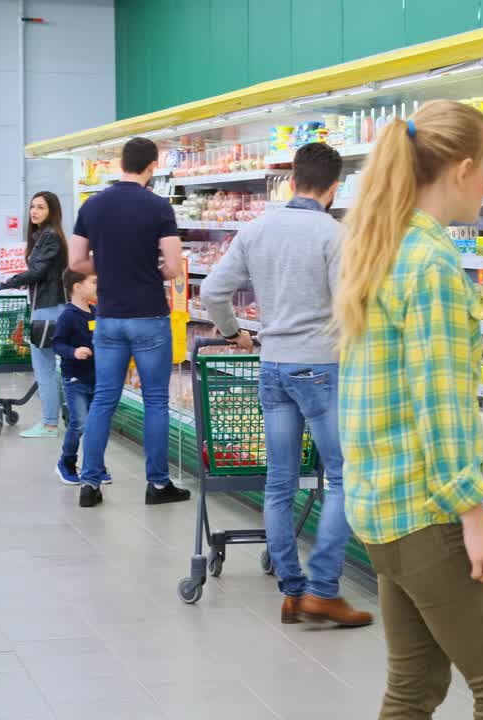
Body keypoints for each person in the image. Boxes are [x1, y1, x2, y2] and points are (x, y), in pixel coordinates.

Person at [334, 100, 483, 719]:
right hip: (428, 514)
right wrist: (472, 516)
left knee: (414, 687)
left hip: (380, 505)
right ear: (464, 168)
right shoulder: (434, 265)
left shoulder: (380, 245)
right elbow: (441, 405)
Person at [203, 143, 371, 628]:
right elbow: (350, 307)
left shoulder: (254, 231)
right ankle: (324, 590)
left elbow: (213, 292)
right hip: (321, 369)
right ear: (334, 187)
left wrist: (234, 332)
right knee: (339, 477)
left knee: (279, 483)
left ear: (293, 179)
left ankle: (292, 592)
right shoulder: (334, 235)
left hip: (271, 366)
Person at [68, 137, 189, 509]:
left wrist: (108, 268)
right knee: (155, 400)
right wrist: (147, 271)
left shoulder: (94, 205)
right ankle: (157, 484)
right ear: (152, 166)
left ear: (122, 164)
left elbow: (76, 261)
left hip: (108, 318)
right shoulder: (158, 207)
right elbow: (172, 266)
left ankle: (89, 484)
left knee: (104, 398)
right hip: (149, 316)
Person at [2, 191, 68, 438]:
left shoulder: (49, 236)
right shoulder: (45, 235)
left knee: (44, 368)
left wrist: (10, 281)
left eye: (40, 207)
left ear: (52, 211)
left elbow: (38, 271)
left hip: (48, 308)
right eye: (32, 206)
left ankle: (50, 424)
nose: (34, 211)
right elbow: (43, 272)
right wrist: (23, 281)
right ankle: (60, 417)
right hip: (50, 305)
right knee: (51, 367)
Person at [51, 270, 112, 487]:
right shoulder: (68, 316)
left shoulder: (96, 312)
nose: (98, 285)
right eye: (94, 282)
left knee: (96, 424)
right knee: (79, 423)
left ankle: (95, 465)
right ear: (77, 287)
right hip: (75, 378)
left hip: (98, 378)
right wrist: (74, 351)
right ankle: (66, 463)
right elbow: (57, 343)